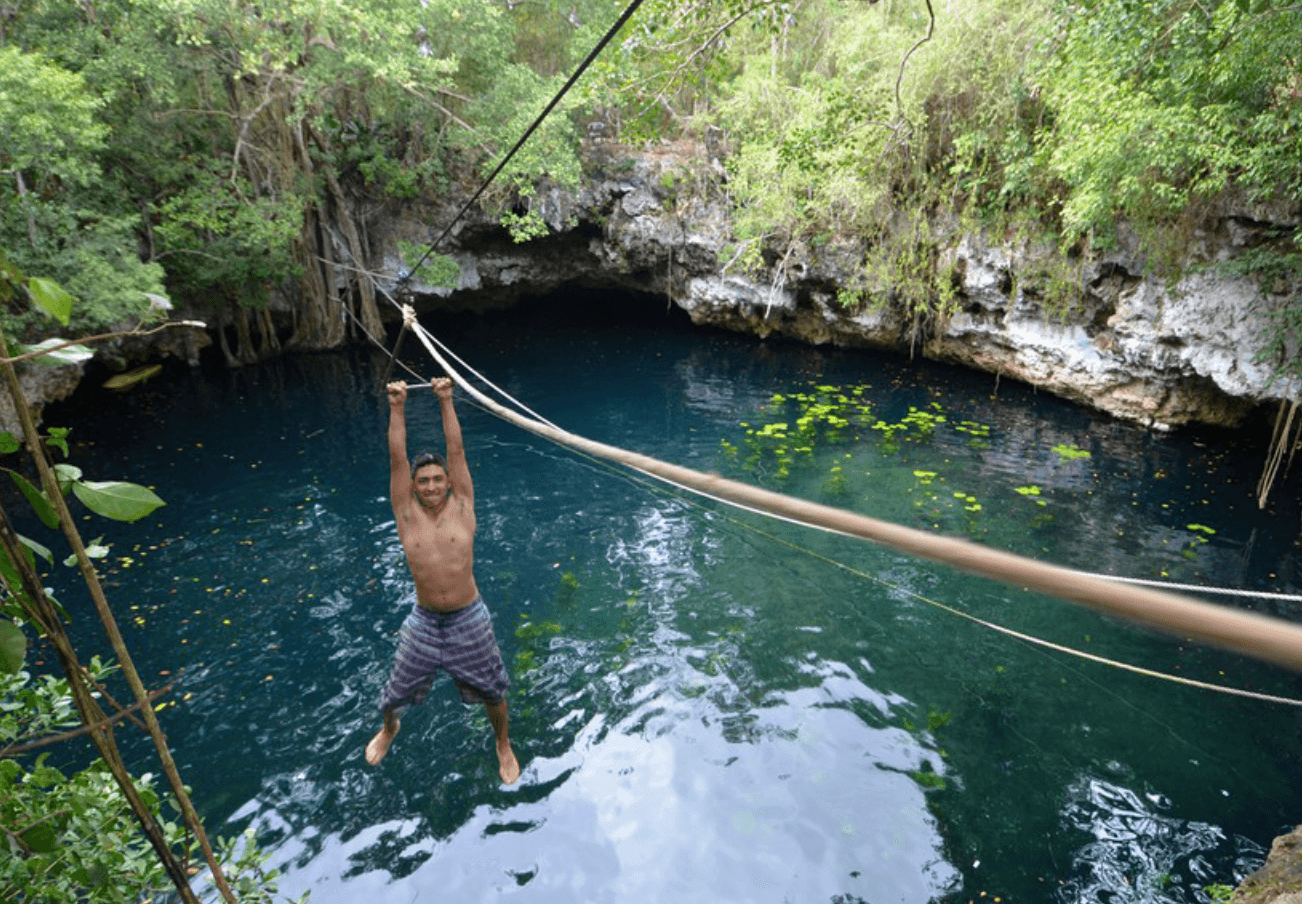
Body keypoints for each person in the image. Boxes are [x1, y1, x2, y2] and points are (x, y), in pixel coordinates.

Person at [366, 376, 520, 785]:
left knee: (493, 691)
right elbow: (397, 458)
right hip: (425, 619)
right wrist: (397, 407)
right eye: (423, 481)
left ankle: (502, 744)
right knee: (394, 692)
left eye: (437, 479)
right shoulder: (405, 512)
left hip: (468, 614)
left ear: (449, 481)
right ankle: (389, 729)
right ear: (412, 487)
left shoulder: (463, 504)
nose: (431, 486)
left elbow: (457, 449)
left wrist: (446, 400)